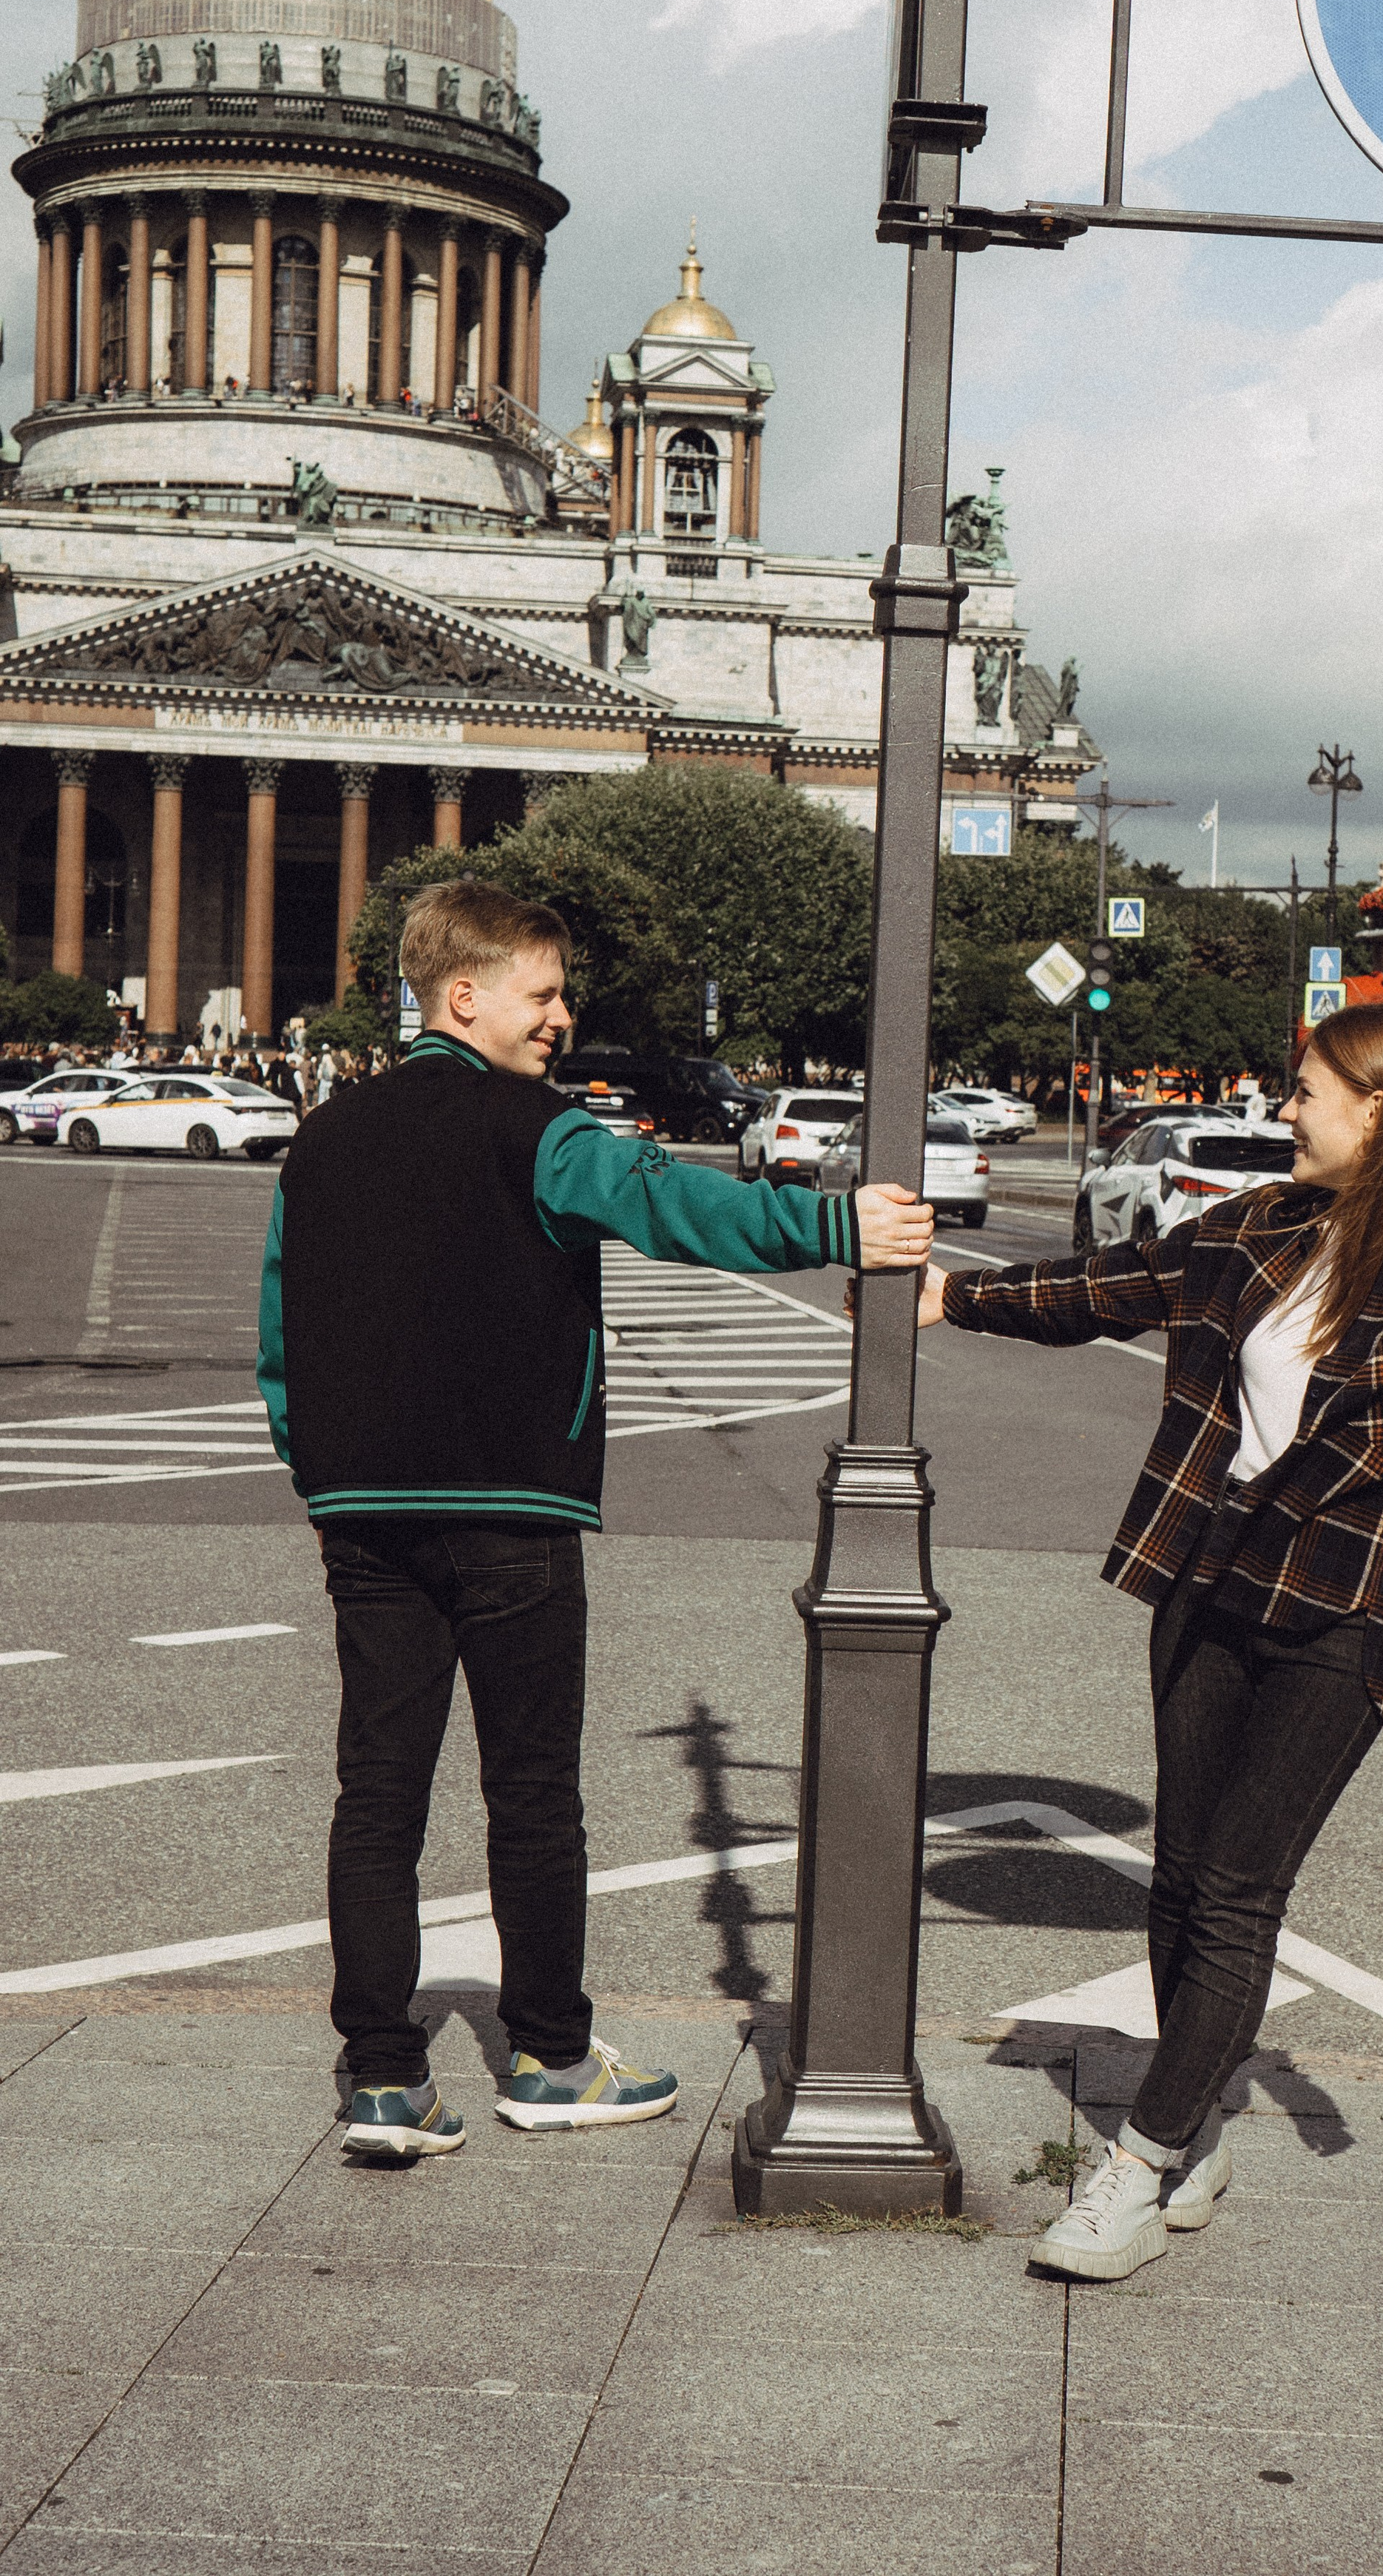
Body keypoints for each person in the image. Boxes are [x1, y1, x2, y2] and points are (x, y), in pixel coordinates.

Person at [257, 877, 931, 2162]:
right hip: (514, 1506)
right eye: (545, 991)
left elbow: (280, 1331)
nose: (563, 1017)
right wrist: (840, 1225)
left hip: (366, 1515)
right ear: (467, 995)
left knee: (377, 1795)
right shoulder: (539, 1129)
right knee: (532, 1792)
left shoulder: (327, 1138)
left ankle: (385, 2081)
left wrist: (320, 1470)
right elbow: (678, 1209)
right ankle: (551, 2057)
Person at [914, 1001, 1383, 2283]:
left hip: (1339, 1622)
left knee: (1243, 1888)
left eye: (1308, 1092)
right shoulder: (1259, 1230)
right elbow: (1105, 1289)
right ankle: (1193, 2137)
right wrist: (955, 1298)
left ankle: (1136, 2168)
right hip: (1208, 1586)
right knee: (1185, 1880)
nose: (1284, 1110)